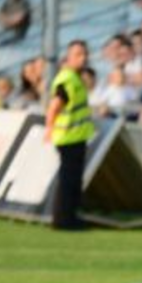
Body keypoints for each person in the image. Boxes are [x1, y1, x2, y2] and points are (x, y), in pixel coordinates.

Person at [45, 41, 95, 231]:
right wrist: (49, 128)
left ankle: (69, 217)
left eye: (85, 54)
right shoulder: (68, 79)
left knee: (72, 180)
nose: (83, 58)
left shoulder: (74, 77)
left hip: (75, 136)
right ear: (69, 57)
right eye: (78, 54)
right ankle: (64, 220)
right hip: (68, 137)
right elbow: (55, 106)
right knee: (69, 181)